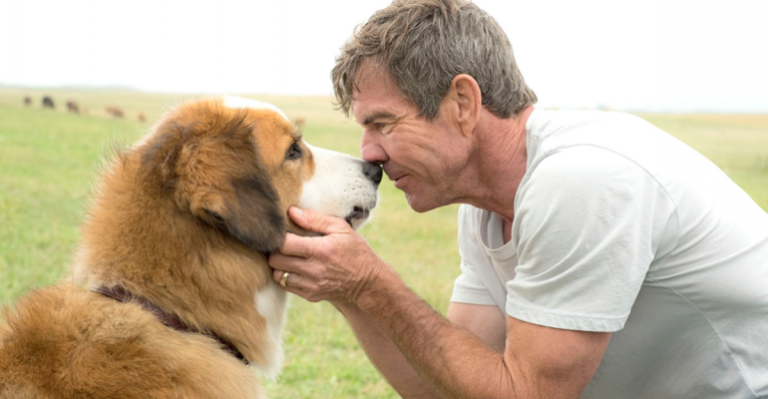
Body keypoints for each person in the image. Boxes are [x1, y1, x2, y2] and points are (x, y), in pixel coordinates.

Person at [268, 0, 768, 397]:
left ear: (462, 103)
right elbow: (449, 386)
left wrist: (371, 285)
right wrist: (348, 292)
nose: (369, 153)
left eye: (383, 123)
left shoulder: (581, 180)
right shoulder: (486, 210)